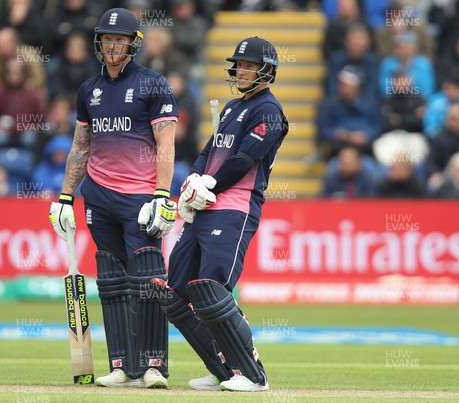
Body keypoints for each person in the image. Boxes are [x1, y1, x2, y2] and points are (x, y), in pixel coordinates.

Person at [48, 8, 178, 389]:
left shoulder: (153, 85)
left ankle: (154, 366)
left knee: (149, 281)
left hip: (140, 198)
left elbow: (165, 142)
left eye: (119, 39)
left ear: (133, 43)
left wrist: (162, 195)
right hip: (98, 199)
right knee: (111, 283)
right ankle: (122, 366)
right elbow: (80, 146)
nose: (112, 45)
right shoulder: (89, 89)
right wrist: (66, 197)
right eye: (107, 38)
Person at [152, 36, 288, 392]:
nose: (242, 70)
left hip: (234, 207)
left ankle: (253, 375)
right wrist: (196, 178)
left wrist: (210, 182)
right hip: (205, 206)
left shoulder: (268, 111)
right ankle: (224, 370)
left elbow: (244, 160)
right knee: (176, 293)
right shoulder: (230, 108)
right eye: (240, 65)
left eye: (250, 65)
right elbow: (209, 149)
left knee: (212, 288)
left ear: (267, 71)